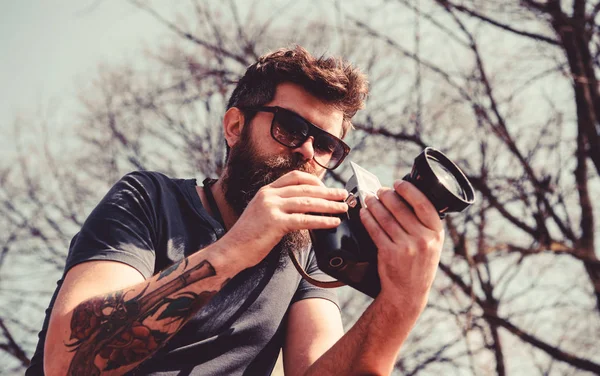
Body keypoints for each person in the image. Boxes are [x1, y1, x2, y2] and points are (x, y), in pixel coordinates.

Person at [27, 46, 444, 376]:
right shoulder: (149, 198)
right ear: (234, 127)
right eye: (290, 128)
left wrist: (402, 301)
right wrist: (237, 247)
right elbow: (67, 362)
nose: (305, 152)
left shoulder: (307, 255)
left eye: (325, 146)